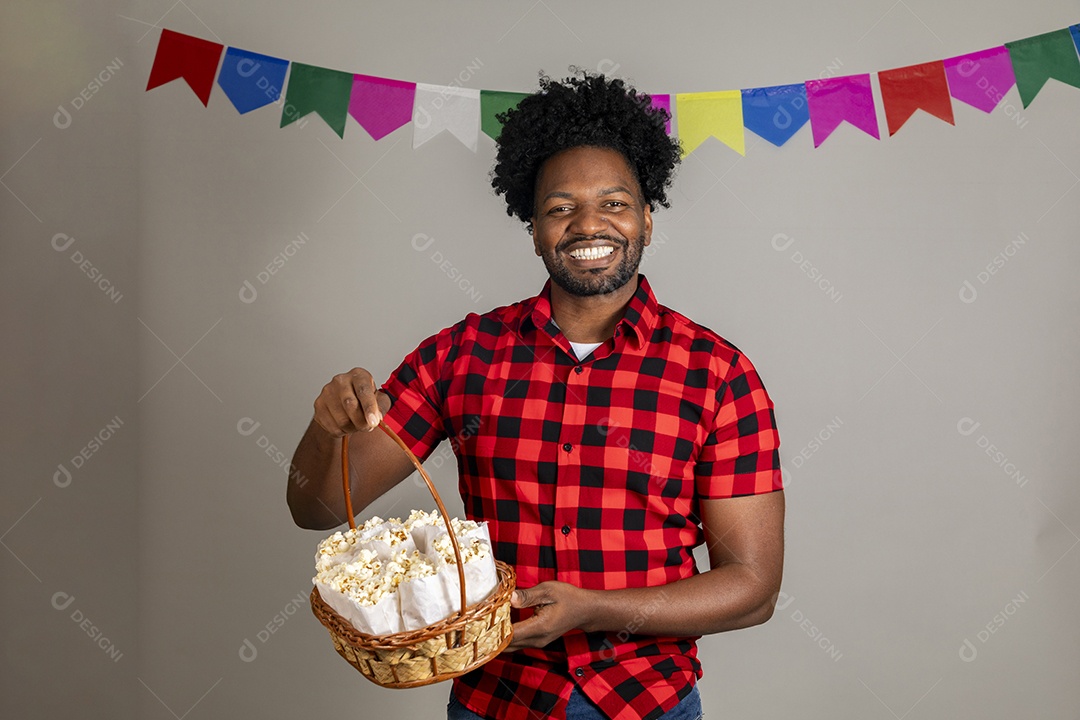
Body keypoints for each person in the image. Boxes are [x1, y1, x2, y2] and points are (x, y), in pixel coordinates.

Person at [288, 70, 785, 720]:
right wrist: (326, 429)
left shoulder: (717, 374)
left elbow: (753, 589)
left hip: (648, 703)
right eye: (560, 207)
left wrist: (598, 609)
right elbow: (319, 506)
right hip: (498, 701)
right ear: (533, 228)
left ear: (647, 219)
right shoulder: (461, 355)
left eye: (614, 202)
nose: (588, 224)